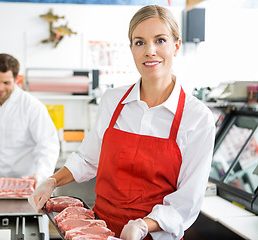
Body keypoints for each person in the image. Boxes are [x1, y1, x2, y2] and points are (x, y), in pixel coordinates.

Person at [29, 5, 215, 240]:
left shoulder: (197, 118)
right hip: (98, 231)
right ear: (131, 49)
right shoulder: (112, 100)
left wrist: (143, 225)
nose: (150, 51)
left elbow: (186, 202)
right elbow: (88, 159)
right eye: (140, 42)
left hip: (152, 235)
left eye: (160, 40)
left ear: (176, 46)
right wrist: (52, 180)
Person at [0, 53, 60, 186]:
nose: (0, 88)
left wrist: (40, 175)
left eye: (6, 83)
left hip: (28, 183)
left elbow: (48, 145)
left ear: (16, 79)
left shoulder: (32, 106)